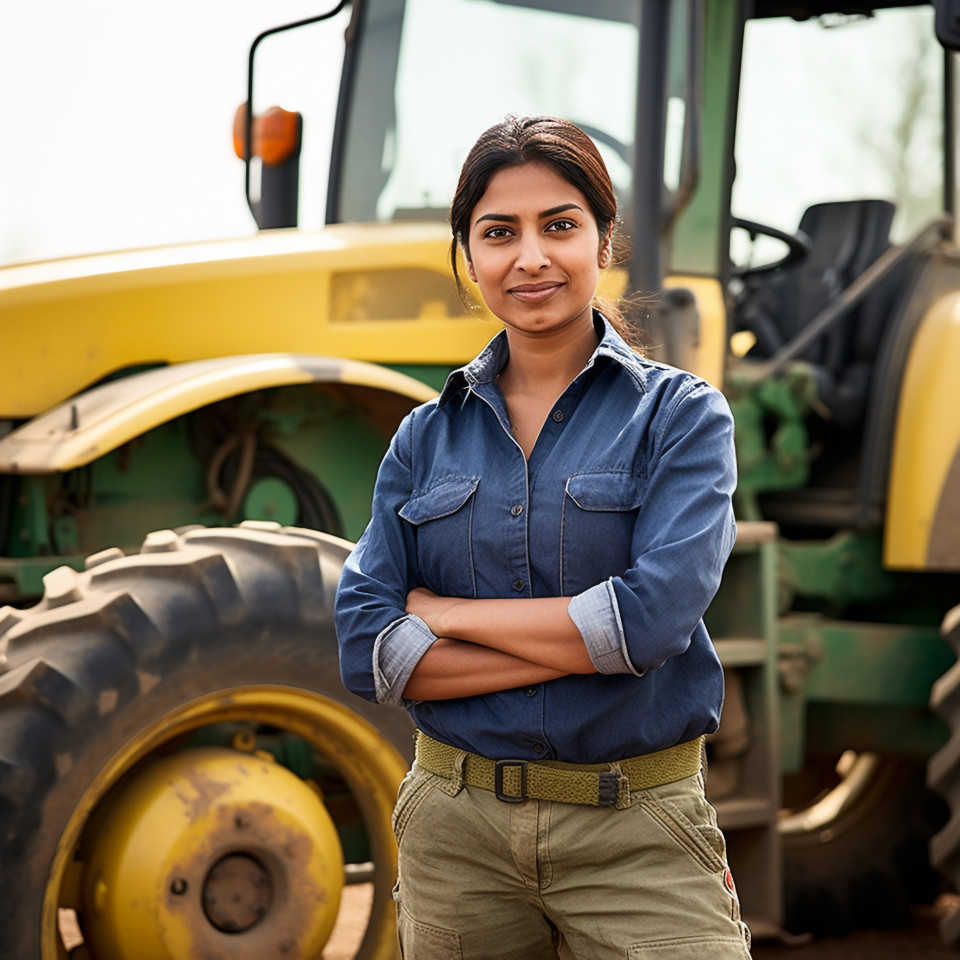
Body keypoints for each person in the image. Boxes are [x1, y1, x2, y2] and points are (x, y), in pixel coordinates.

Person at [335, 114, 750, 960]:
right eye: (499, 234)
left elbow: (653, 622)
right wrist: (593, 642)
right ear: (470, 258)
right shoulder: (422, 437)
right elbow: (365, 649)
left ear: (602, 242)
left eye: (559, 226)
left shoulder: (682, 417)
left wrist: (445, 615)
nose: (530, 257)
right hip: (457, 830)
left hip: (637, 827)